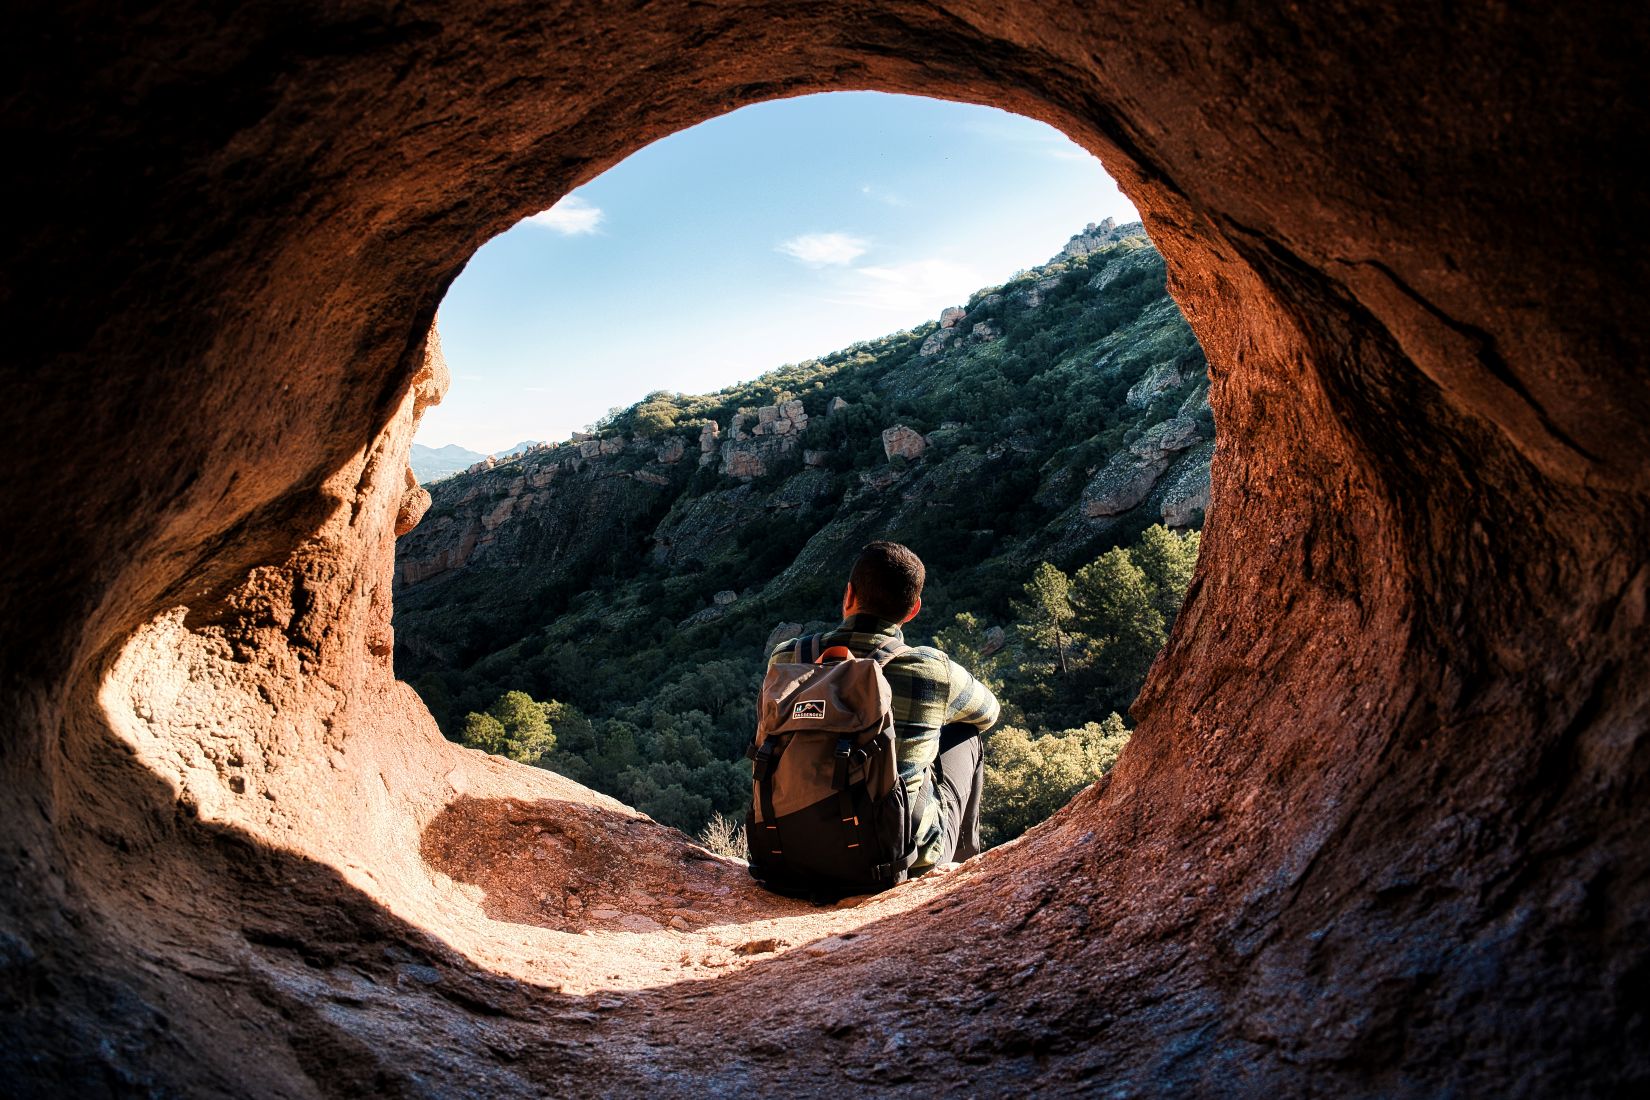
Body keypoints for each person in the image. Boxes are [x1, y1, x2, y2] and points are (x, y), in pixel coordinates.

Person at [766, 540, 999, 875]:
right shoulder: (930, 669)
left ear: (848, 596)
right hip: (891, 858)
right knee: (966, 732)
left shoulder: (789, 658)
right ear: (913, 609)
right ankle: (958, 870)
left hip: (788, 850)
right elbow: (989, 712)